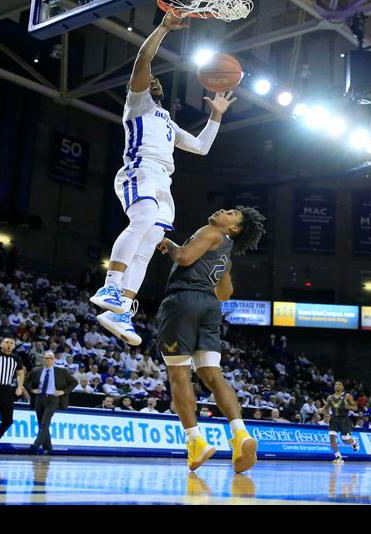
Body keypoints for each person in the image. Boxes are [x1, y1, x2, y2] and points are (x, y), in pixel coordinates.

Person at [90, 10, 237, 346]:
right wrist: (163, 28)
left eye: (158, 80)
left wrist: (215, 116)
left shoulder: (168, 122)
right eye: (150, 79)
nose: (154, 80)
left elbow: (201, 147)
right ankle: (110, 286)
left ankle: (120, 311)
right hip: (139, 170)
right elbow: (144, 59)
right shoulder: (137, 104)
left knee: (147, 246)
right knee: (141, 220)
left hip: (163, 183)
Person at [155, 207, 265, 472]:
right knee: (212, 375)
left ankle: (195, 441)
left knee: (179, 374)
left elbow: (183, 258)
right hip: (209, 307)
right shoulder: (226, 253)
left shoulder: (211, 231)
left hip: (183, 301)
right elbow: (225, 293)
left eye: (231, 213)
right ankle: (240, 435)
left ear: (234, 228)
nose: (223, 210)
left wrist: (170, 244)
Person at [24, 351, 75, 454]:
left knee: (45, 422)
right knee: (41, 423)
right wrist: (32, 390)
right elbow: (26, 382)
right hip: (39, 398)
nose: (48, 360)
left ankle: (36, 445)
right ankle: (48, 447)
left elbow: (74, 382)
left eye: (50, 358)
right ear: (43, 359)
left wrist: (63, 391)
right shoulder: (36, 370)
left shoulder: (61, 371)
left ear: (53, 360)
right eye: (46, 358)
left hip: (53, 399)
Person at [323, 381, 360, 463]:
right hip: (334, 419)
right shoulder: (330, 397)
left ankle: (354, 442)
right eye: (336, 384)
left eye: (339, 385)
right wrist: (325, 413)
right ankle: (338, 456)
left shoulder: (347, 396)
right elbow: (326, 408)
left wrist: (348, 406)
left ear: (342, 387)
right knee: (332, 437)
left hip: (344, 419)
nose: (337, 386)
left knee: (345, 440)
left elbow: (355, 407)